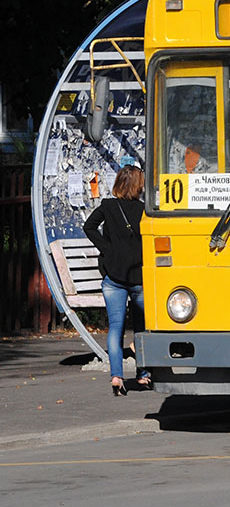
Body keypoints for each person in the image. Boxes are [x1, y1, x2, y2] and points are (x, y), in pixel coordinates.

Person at [82, 165, 151, 395]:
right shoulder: (144, 210)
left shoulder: (108, 206)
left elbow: (89, 226)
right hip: (138, 277)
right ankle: (143, 376)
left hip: (114, 277)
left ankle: (116, 376)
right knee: (141, 329)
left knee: (115, 328)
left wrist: (107, 249)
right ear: (138, 185)